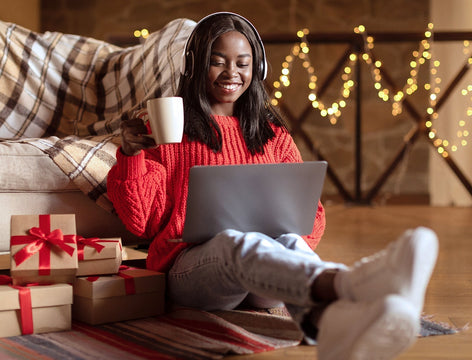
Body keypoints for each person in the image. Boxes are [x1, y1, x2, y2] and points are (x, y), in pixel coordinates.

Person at [107, 12, 439, 360]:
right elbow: (141, 222)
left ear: (258, 69)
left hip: (266, 280)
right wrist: (132, 157)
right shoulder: (164, 129)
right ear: (194, 66)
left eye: (243, 63)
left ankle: (335, 323)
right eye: (217, 62)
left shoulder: (272, 135)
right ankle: (355, 284)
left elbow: (311, 218)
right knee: (236, 240)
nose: (231, 73)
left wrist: (284, 236)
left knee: (290, 239)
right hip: (192, 273)